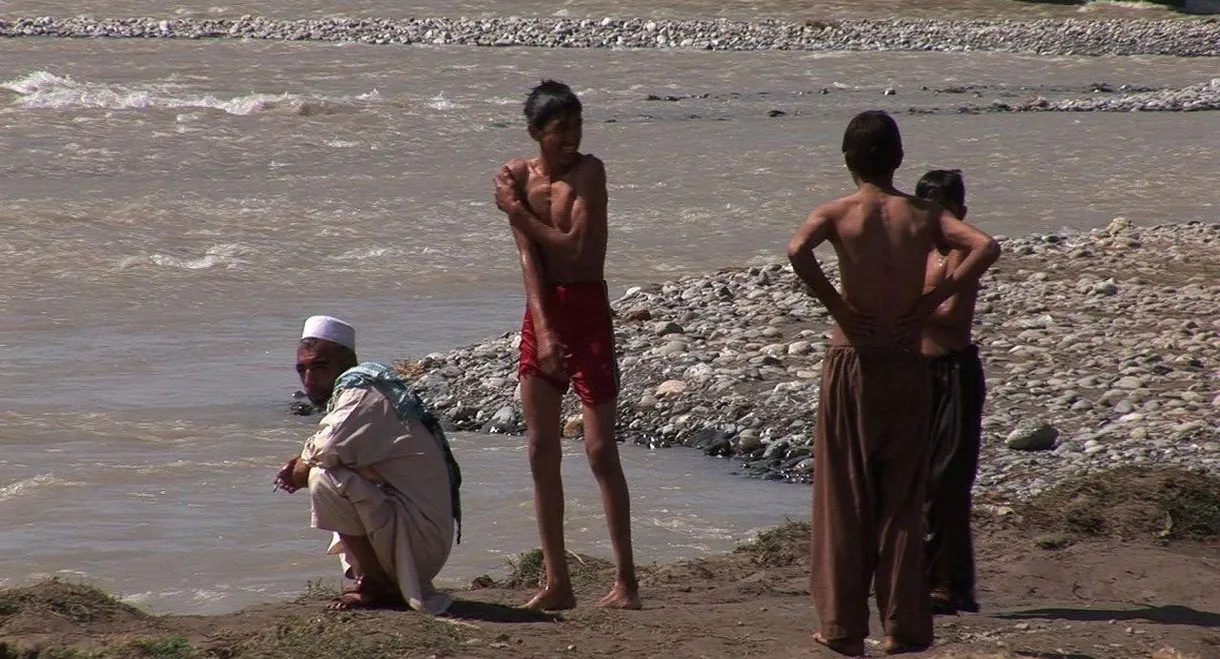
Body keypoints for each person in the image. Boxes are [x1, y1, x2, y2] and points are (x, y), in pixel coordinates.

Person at [786, 111, 1000, 656]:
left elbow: (797, 250)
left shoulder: (836, 212)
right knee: (902, 496)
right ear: (899, 160)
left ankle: (841, 627)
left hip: (853, 359)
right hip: (906, 358)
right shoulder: (924, 215)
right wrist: (929, 302)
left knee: (844, 492)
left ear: (847, 160)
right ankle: (903, 626)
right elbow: (985, 246)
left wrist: (838, 307)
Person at [491, 79, 639, 611]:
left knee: (600, 451)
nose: (572, 136)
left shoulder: (590, 173)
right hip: (543, 311)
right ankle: (558, 582)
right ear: (536, 132)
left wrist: (516, 213)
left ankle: (626, 582)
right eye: (560, 129)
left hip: (587, 307)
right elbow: (528, 258)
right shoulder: (516, 176)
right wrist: (544, 328)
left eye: (577, 125)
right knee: (540, 449)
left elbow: (576, 250)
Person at [274, 315, 463, 614]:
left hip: (419, 543)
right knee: (330, 470)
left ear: (346, 364)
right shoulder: (365, 390)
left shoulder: (363, 394)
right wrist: (303, 462)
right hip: (414, 534)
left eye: (320, 367)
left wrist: (300, 467)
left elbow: (325, 449)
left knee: (323, 476)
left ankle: (373, 582)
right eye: (302, 370)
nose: (309, 380)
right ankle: (376, 577)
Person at [914, 169, 986, 615]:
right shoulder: (916, 251)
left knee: (948, 479)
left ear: (961, 212)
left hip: (953, 371)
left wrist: (898, 307)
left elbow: (951, 315)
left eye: (945, 211)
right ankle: (927, 578)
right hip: (915, 372)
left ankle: (952, 584)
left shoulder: (965, 253)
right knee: (917, 478)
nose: (938, 220)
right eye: (929, 211)